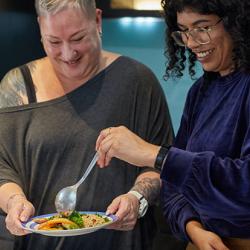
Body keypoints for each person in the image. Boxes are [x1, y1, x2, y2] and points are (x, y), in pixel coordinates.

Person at [0, 0, 176, 250]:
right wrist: (13, 201)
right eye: (54, 42)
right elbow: (2, 167)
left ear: (97, 20)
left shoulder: (137, 82)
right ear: (40, 27)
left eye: (78, 38)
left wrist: (137, 197)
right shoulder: (17, 86)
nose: (68, 53)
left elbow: (162, 164)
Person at [96, 0, 250, 249]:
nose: (190, 42)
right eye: (184, 31)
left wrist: (155, 155)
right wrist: (193, 227)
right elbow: (174, 185)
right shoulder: (200, 92)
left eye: (202, 27)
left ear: (237, 22)